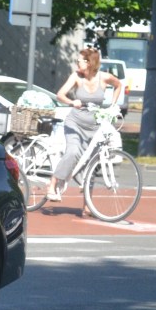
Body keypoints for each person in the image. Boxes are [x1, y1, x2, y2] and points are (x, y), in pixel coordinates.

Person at [47, 47, 124, 202]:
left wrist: (113, 105)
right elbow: (60, 94)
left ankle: (87, 205)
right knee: (73, 152)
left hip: (94, 127)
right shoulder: (76, 77)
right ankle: (52, 184)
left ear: (89, 63)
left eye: (79, 60)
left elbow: (118, 85)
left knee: (92, 164)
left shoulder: (104, 78)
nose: (77, 63)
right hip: (75, 123)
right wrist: (72, 102)